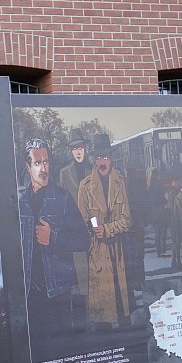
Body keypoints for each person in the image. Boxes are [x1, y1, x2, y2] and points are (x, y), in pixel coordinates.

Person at [19, 138, 90, 329]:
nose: (43, 168)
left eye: (46, 162)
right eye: (37, 163)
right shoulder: (21, 204)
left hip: (58, 293)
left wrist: (53, 238)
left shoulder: (62, 198)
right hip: (30, 296)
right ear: (28, 167)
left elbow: (84, 241)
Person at [76, 134, 134, 327]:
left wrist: (107, 229)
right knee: (102, 318)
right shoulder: (85, 187)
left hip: (118, 254)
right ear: (94, 160)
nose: (103, 162)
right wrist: (95, 228)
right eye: (99, 158)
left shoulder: (121, 182)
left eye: (106, 157)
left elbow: (127, 220)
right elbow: (82, 220)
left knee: (122, 312)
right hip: (97, 255)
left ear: (111, 158)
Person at [57, 128, 92, 200]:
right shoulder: (65, 173)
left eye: (80, 148)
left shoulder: (93, 170)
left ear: (85, 149)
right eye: (74, 149)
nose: (78, 152)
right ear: (71, 151)